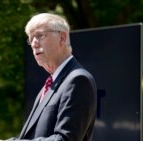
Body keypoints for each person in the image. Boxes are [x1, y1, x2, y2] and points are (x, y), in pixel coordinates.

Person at [8, 13, 97, 141]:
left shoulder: (78, 80)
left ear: (62, 38)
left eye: (40, 35)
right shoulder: (49, 84)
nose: (33, 43)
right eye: (31, 38)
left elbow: (65, 139)